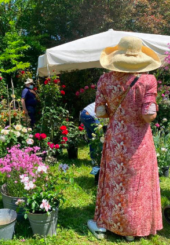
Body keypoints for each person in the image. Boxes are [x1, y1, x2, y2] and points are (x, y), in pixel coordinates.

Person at [87, 37, 162, 241]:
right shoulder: (148, 80)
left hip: (115, 138)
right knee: (136, 182)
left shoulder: (105, 79)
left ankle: (114, 223)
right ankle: (132, 229)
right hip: (139, 141)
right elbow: (149, 115)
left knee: (115, 180)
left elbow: (101, 112)